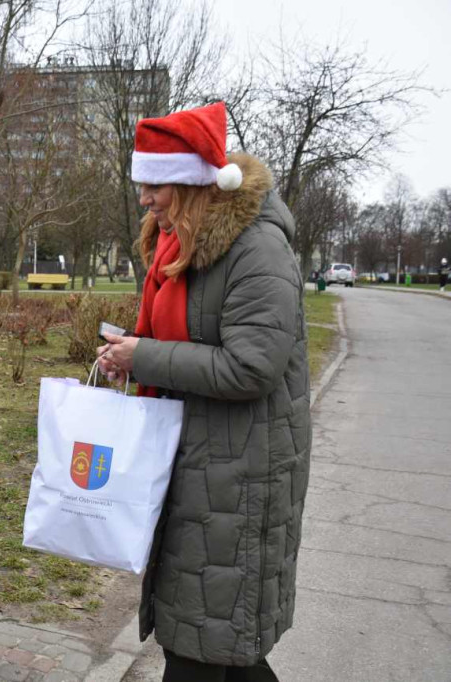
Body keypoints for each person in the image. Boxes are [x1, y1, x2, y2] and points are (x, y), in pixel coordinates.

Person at [97, 102, 310, 682]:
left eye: (154, 186)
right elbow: (187, 335)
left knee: (204, 640)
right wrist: (130, 354)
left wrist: (145, 355)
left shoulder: (256, 249)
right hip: (198, 463)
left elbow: (251, 367)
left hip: (238, 475)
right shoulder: (179, 244)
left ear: (191, 186)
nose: (144, 199)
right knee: (214, 640)